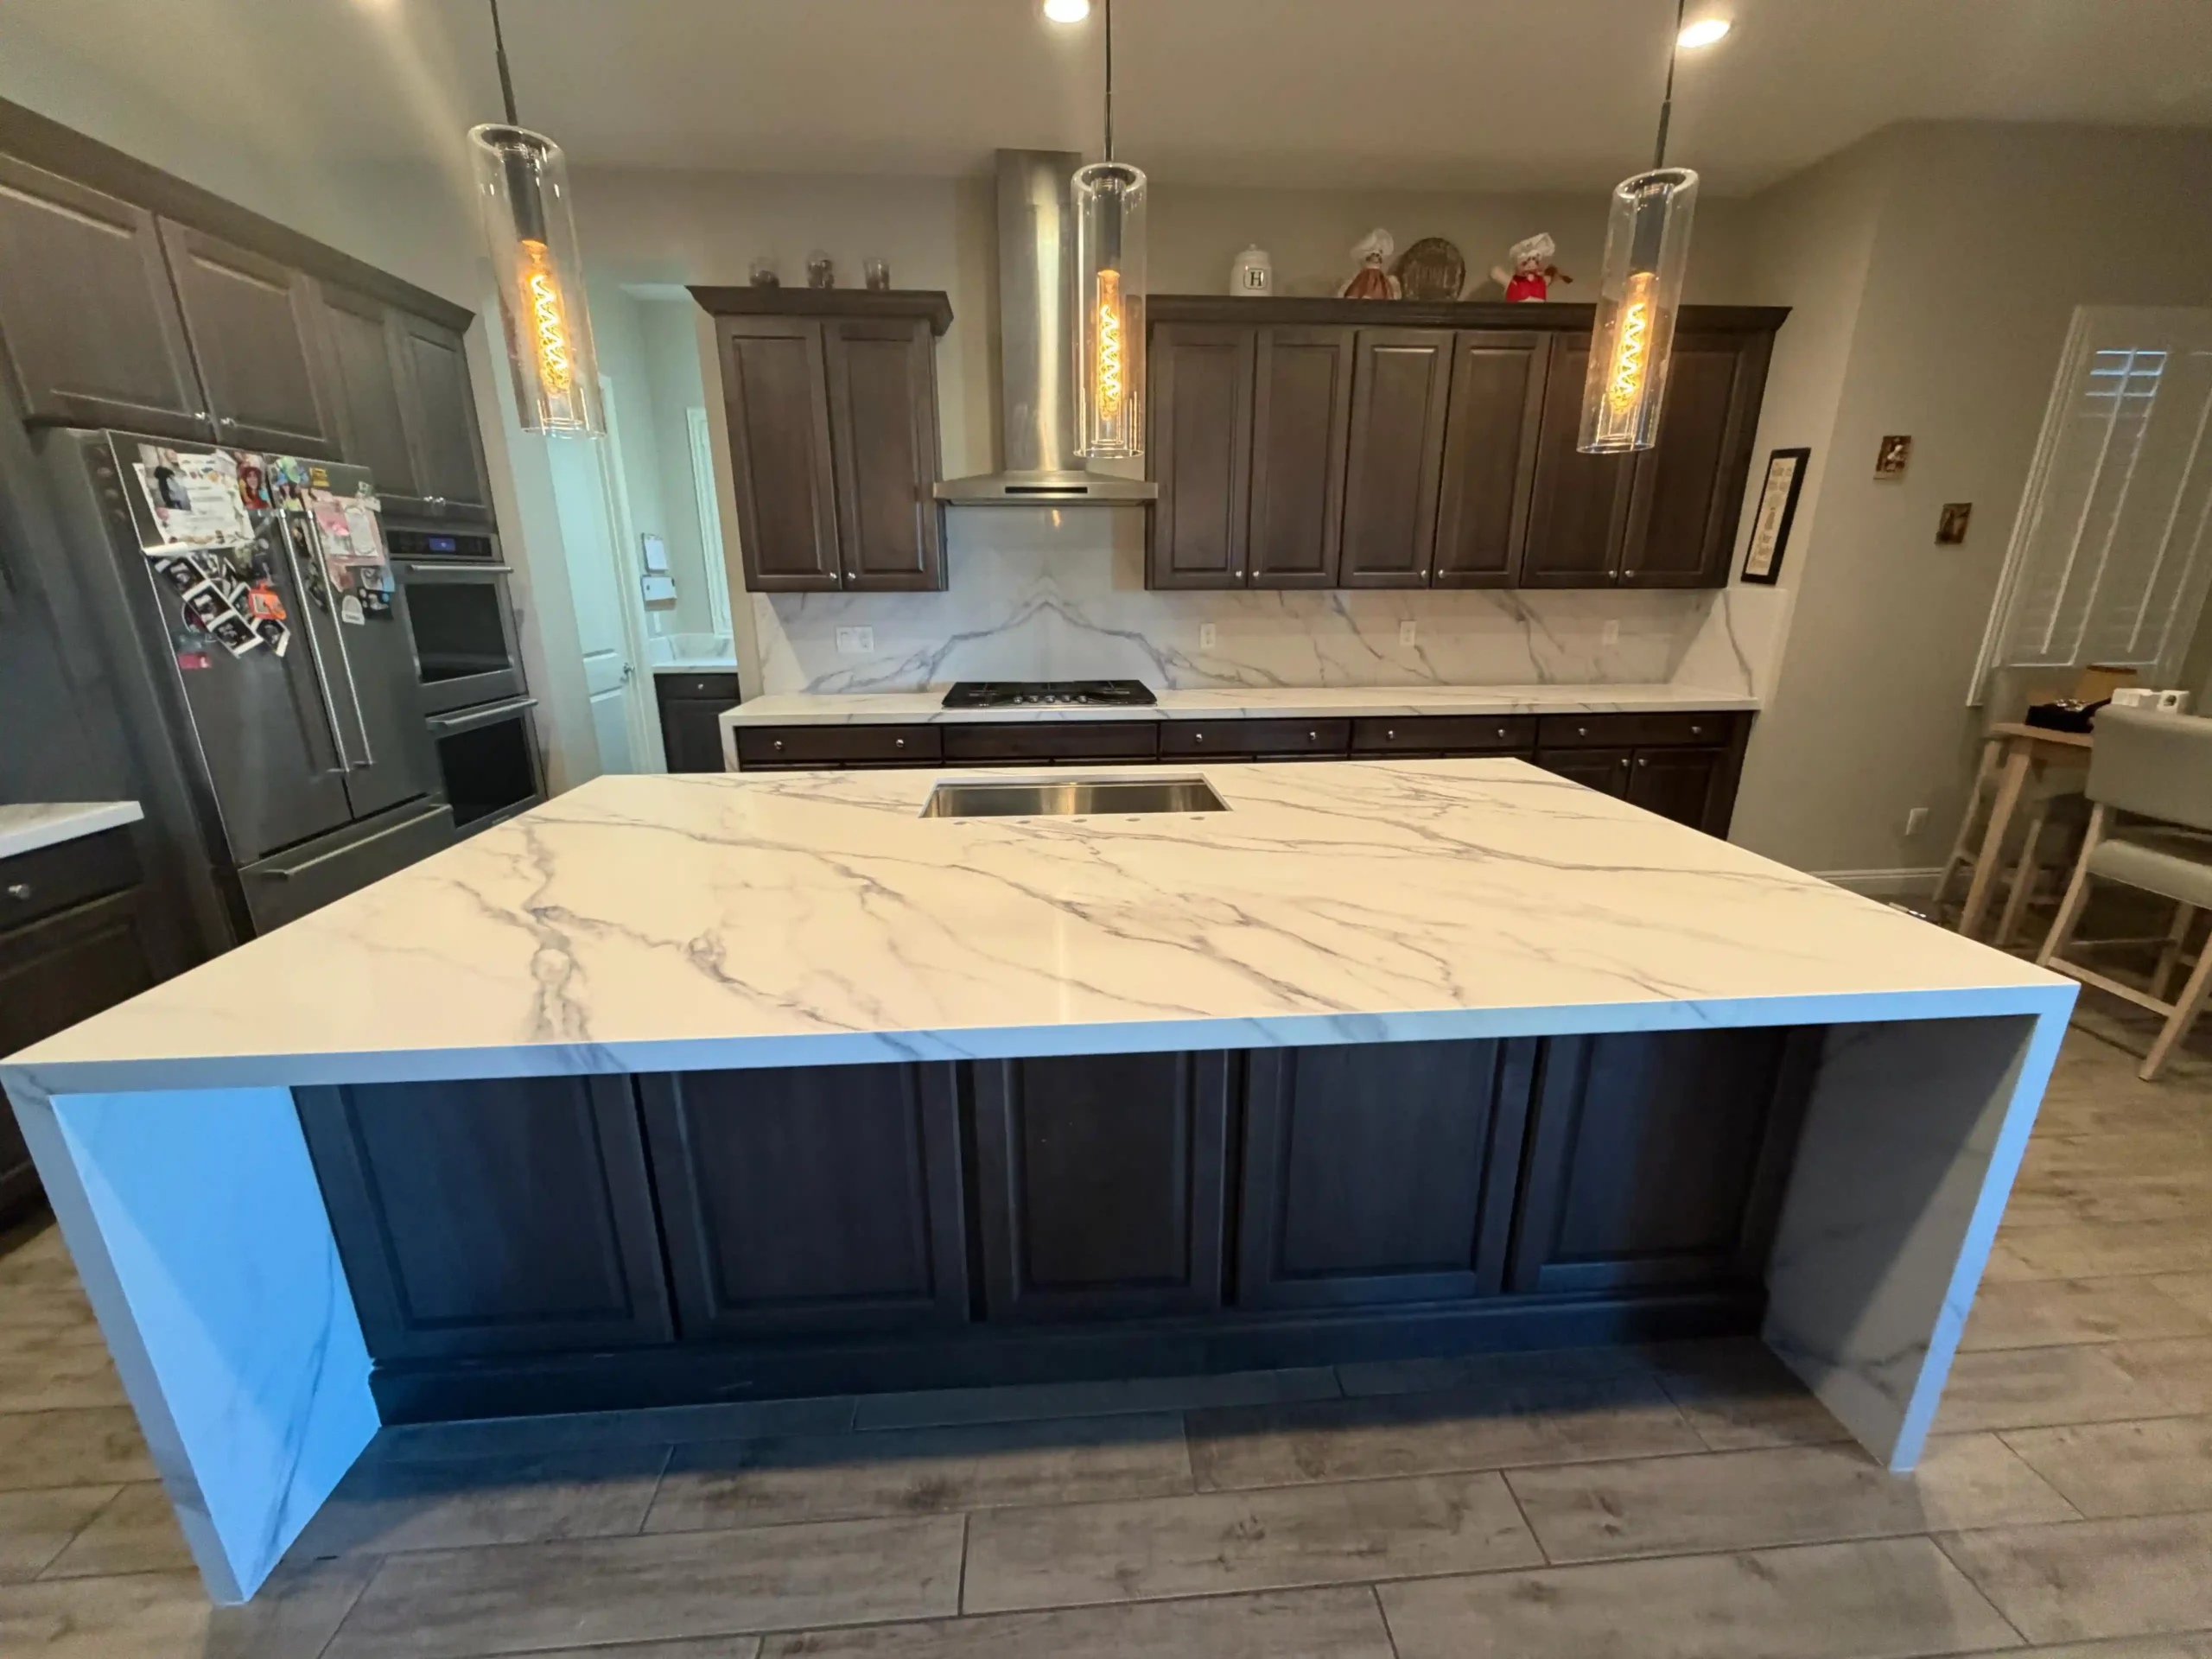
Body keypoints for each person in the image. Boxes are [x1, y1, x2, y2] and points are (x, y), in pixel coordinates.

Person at [1491, 232, 1571, 302]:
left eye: (1536, 262)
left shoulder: (1541, 281)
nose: (1531, 266)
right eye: (1525, 263)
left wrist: (1561, 275)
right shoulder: (1514, 283)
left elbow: (1552, 272)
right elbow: (1496, 272)